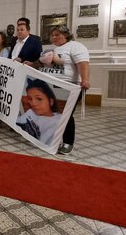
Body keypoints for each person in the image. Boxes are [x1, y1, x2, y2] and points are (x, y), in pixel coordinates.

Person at [27, 25, 90, 154]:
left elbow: (83, 63)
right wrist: (31, 64)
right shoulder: (51, 49)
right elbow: (39, 64)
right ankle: (50, 139)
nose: (54, 37)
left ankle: (68, 142)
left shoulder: (75, 46)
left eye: (58, 35)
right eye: (53, 35)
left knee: (65, 115)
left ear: (66, 35)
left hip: (68, 86)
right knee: (52, 114)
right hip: (50, 86)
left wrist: (85, 79)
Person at [16, 79, 62, 145]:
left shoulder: (57, 123)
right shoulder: (31, 112)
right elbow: (17, 122)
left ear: (51, 102)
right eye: (30, 99)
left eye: (39, 99)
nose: (33, 103)